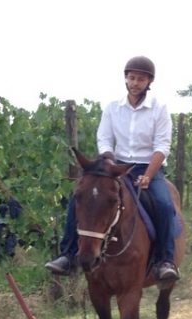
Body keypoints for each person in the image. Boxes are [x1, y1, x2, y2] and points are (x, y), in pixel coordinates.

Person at [45, 55, 179, 282]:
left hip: (148, 167)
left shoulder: (159, 109)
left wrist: (148, 175)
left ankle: (165, 261)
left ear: (149, 82)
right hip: (116, 167)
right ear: (125, 79)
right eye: (132, 78)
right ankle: (67, 255)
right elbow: (105, 138)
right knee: (77, 197)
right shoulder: (113, 108)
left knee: (164, 205)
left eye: (141, 79)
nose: (135, 83)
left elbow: (162, 146)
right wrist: (108, 161)